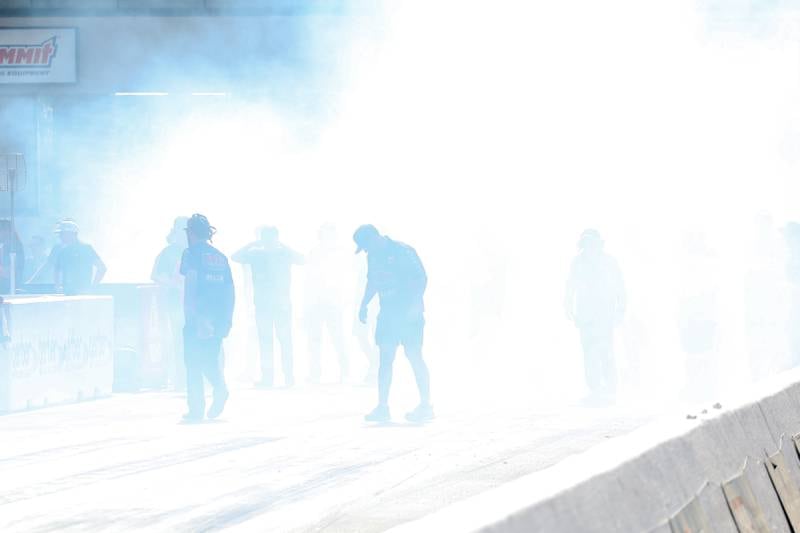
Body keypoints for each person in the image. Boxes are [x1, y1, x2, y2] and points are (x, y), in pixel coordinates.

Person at [354, 224, 433, 423]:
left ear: (375, 237)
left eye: (366, 246)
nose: (366, 251)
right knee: (385, 358)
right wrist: (364, 303)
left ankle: (425, 405)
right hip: (387, 313)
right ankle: (382, 407)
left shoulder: (402, 251)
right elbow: (372, 280)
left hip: (409, 313)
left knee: (414, 355)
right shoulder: (372, 256)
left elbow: (421, 278)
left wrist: (415, 305)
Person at [232, 226, 302, 388]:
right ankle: (272, 378)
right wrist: (253, 244)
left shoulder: (281, 253)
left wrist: (280, 245)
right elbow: (235, 256)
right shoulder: (257, 254)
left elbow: (303, 260)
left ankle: (285, 377)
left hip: (278, 305)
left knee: (280, 341)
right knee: (271, 342)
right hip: (267, 306)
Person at [180, 214, 234, 422]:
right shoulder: (220, 257)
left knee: (193, 361)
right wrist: (228, 319)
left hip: (199, 317)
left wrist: (193, 317)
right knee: (210, 359)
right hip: (220, 316)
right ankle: (219, 390)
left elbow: (191, 285)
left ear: (190, 233)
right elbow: (230, 289)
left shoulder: (190, 253)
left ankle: (197, 408)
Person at [565, 229, 626, 405]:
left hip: (605, 314)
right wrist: (567, 305)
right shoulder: (577, 263)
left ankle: (610, 390)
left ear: (599, 244)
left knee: (605, 350)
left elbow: (620, 286)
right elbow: (570, 285)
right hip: (585, 315)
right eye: (586, 244)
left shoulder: (609, 262)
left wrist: (621, 309)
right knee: (589, 351)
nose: (589, 248)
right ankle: (595, 390)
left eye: (592, 243)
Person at [304, 224, 349, 384]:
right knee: (315, 340)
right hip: (317, 304)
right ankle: (316, 373)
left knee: (337, 339)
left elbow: (343, 278)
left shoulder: (339, 253)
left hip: (331, 303)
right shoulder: (314, 252)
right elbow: (308, 278)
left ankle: (344, 371)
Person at [151, 216, 189, 391]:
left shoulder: (198, 250)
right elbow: (157, 275)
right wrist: (178, 286)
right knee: (180, 342)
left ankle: (202, 378)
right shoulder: (169, 252)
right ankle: (181, 380)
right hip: (176, 305)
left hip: (198, 306)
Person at [51, 219, 106, 295]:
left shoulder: (86, 249)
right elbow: (56, 270)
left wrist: (93, 287)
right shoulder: (62, 251)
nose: (60, 237)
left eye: (62, 234)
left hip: (83, 295)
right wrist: (57, 287)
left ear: (72, 233)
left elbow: (102, 268)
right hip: (67, 294)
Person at [0, 220, 24, 294]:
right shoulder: (9, 245)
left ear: (6, 231)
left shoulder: (12, 247)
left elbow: (8, 272)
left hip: (7, 291)